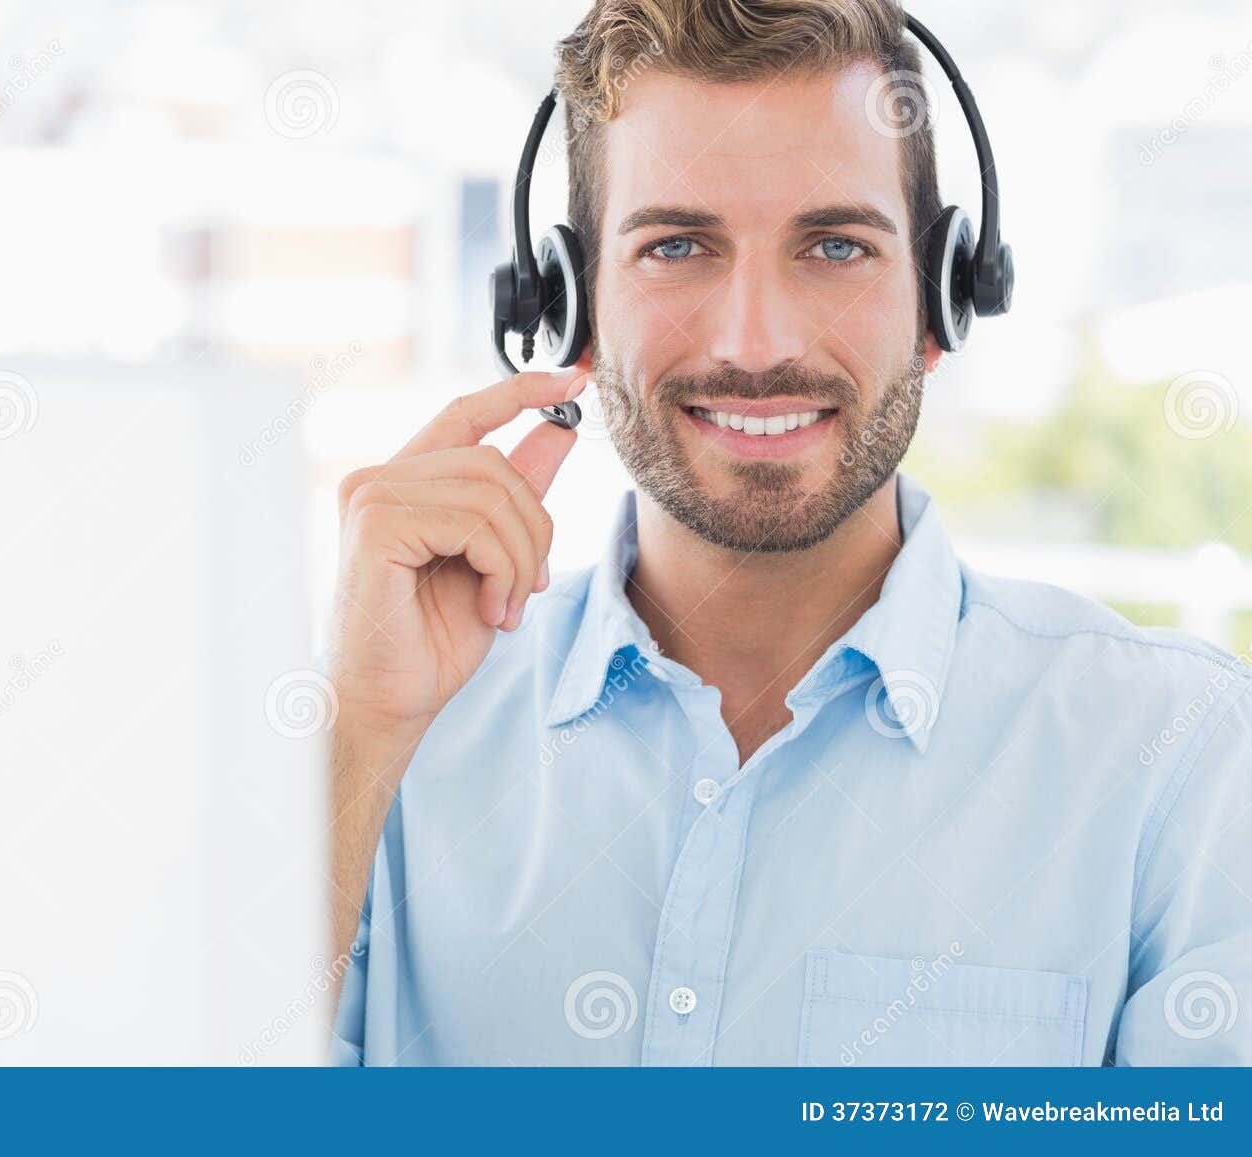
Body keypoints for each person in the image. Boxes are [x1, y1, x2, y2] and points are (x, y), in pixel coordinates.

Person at [323, 0, 1251, 1065]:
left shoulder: (1179, 762)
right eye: (676, 245)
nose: (754, 340)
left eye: (834, 245)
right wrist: (357, 737)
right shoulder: (398, 736)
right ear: (568, 304)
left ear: (944, 298)